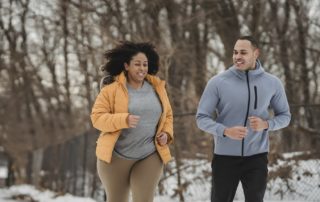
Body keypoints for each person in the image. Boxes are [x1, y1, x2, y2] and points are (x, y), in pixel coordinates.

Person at [196, 36, 291, 202]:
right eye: (235, 52)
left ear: (256, 53)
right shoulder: (218, 82)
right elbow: (201, 118)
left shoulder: (272, 83)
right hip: (224, 158)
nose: (237, 56)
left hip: (257, 158)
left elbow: (285, 116)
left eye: (243, 52)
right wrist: (225, 131)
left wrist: (266, 124)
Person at [91, 41, 173, 202]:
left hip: (149, 154)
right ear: (126, 66)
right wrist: (123, 119)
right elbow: (97, 118)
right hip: (115, 157)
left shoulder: (158, 88)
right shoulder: (111, 90)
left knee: (143, 199)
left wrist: (166, 134)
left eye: (145, 64)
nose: (142, 68)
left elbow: (168, 116)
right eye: (137, 64)